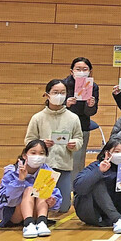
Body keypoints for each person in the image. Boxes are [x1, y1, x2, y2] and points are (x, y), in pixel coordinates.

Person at [24, 79, 82, 213]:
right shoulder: (38, 118)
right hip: (44, 167)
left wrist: (74, 144)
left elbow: (79, 139)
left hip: (64, 165)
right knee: (42, 203)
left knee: (63, 207)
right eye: (55, 92)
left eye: (62, 92)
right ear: (47, 95)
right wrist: (41, 144)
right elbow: (28, 141)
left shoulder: (73, 118)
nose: (59, 95)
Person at [0, 140, 62, 238]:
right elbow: (7, 200)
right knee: (29, 189)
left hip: (36, 212)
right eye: (33, 153)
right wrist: (20, 181)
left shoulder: (47, 172)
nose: (37, 156)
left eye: (41, 153)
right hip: (14, 212)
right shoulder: (12, 171)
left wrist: (53, 201)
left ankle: (42, 223)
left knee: (41, 190)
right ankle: (28, 224)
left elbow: (55, 199)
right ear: (25, 155)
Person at [73, 139, 121, 233]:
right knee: (97, 182)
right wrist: (99, 171)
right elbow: (79, 187)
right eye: (117, 151)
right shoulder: (95, 166)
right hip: (94, 213)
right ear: (107, 153)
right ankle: (116, 220)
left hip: (120, 209)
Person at [64, 57, 99, 183]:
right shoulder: (63, 84)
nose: (81, 72)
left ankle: (75, 189)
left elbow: (91, 112)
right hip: (63, 127)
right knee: (60, 158)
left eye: (85, 69)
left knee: (78, 161)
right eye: (78, 69)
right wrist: (65, 103)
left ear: (90, 71)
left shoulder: (93, 86)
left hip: (82, 126)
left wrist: (90, 105)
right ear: (71, 71)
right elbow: (51, 105)